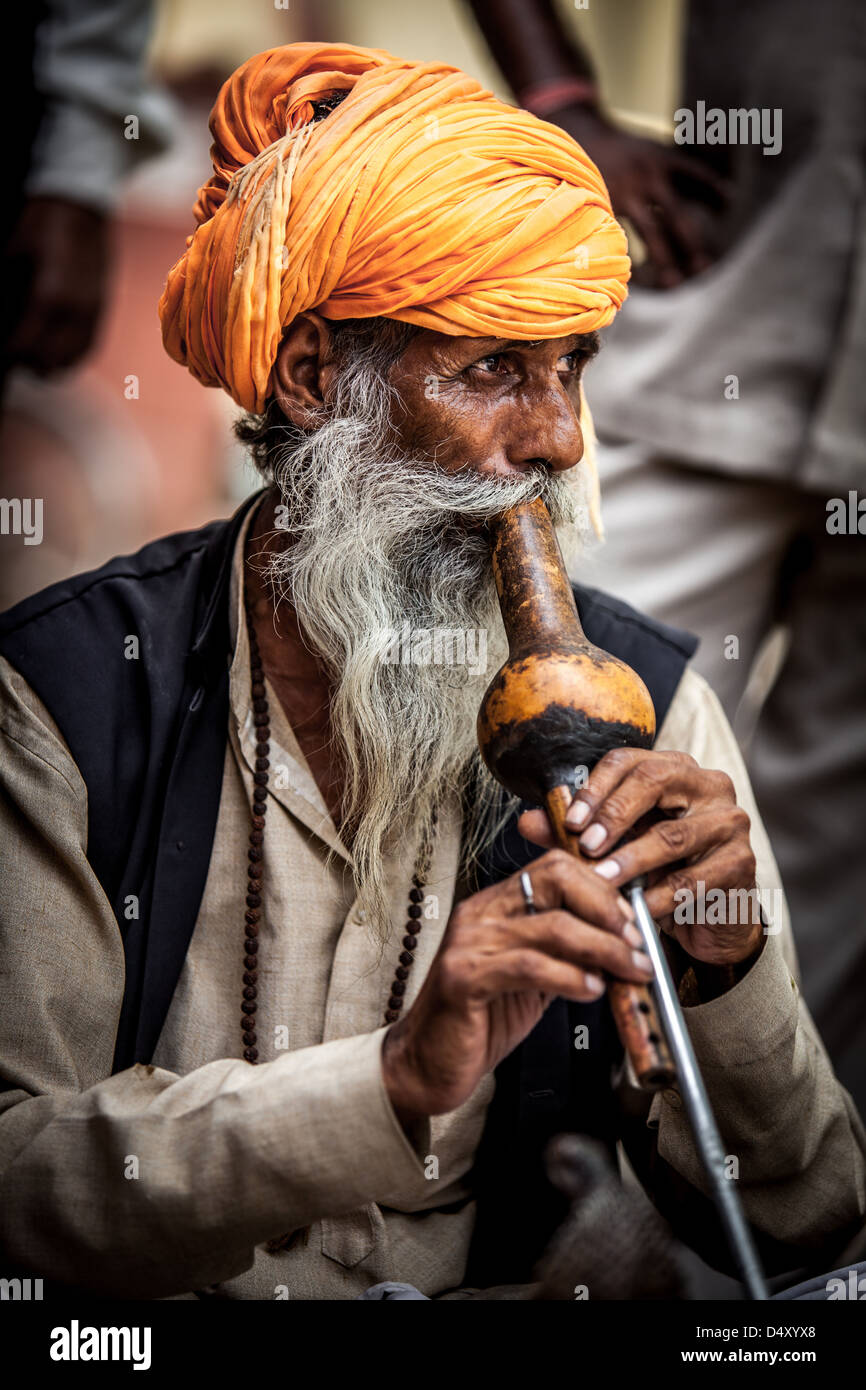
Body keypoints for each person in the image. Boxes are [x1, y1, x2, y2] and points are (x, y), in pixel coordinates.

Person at [0, 42, 863, 1301]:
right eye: (492, 371)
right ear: (310, 380)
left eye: (571, 370)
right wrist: (391, 1081)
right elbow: (18, 1182)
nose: (556, 442)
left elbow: (812, 1218)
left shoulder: (641, 704)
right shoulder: (66, 693)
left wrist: (720, 972)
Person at [468, 0, 866, 1116]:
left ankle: (740, 1205)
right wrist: (561, 105)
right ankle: (495, 1168)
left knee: (833, 858)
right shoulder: (561, 431)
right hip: (713, 318)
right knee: (536, 768)